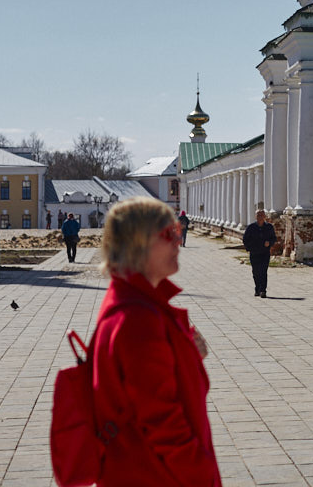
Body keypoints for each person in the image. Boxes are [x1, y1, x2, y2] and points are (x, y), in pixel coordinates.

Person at [91, 197, 220, 486]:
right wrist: (202, 474)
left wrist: (187, 355)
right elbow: (162, 422)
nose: (178, 240)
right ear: (139, 243)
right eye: (168, 233)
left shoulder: (136, 302)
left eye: (177, 231)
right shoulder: (138, 318)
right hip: (157, 474)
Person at [242, 209, 276, 298]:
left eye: (262, 215)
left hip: (265, 253)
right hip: (254, 253)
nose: (260, 217)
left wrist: (269, 243)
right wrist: (249, 248)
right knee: (256, 272)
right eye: (258, 215)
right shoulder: (251, 227)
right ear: (255, 217)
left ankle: (263, 290)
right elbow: (245, 239)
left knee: (263, 271)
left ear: (265, 217)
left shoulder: (269, 227)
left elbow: (274, 238)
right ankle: (257, 288)